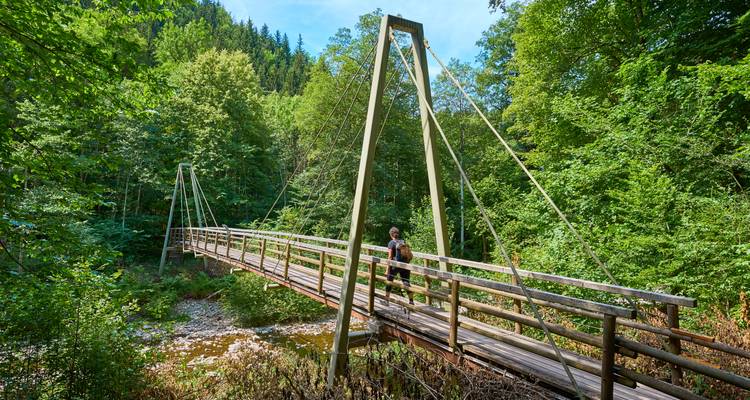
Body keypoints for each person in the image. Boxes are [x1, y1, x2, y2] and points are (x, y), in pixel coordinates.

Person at [385, 226, 414, 305]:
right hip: (405, 265)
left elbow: (390, 257)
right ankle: (411, 301)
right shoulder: (402, 242)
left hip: (395, 265)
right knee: (406, 282)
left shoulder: (391, 243)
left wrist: (387, 269)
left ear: (391, 235)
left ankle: (386, 300)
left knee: (389, 281)